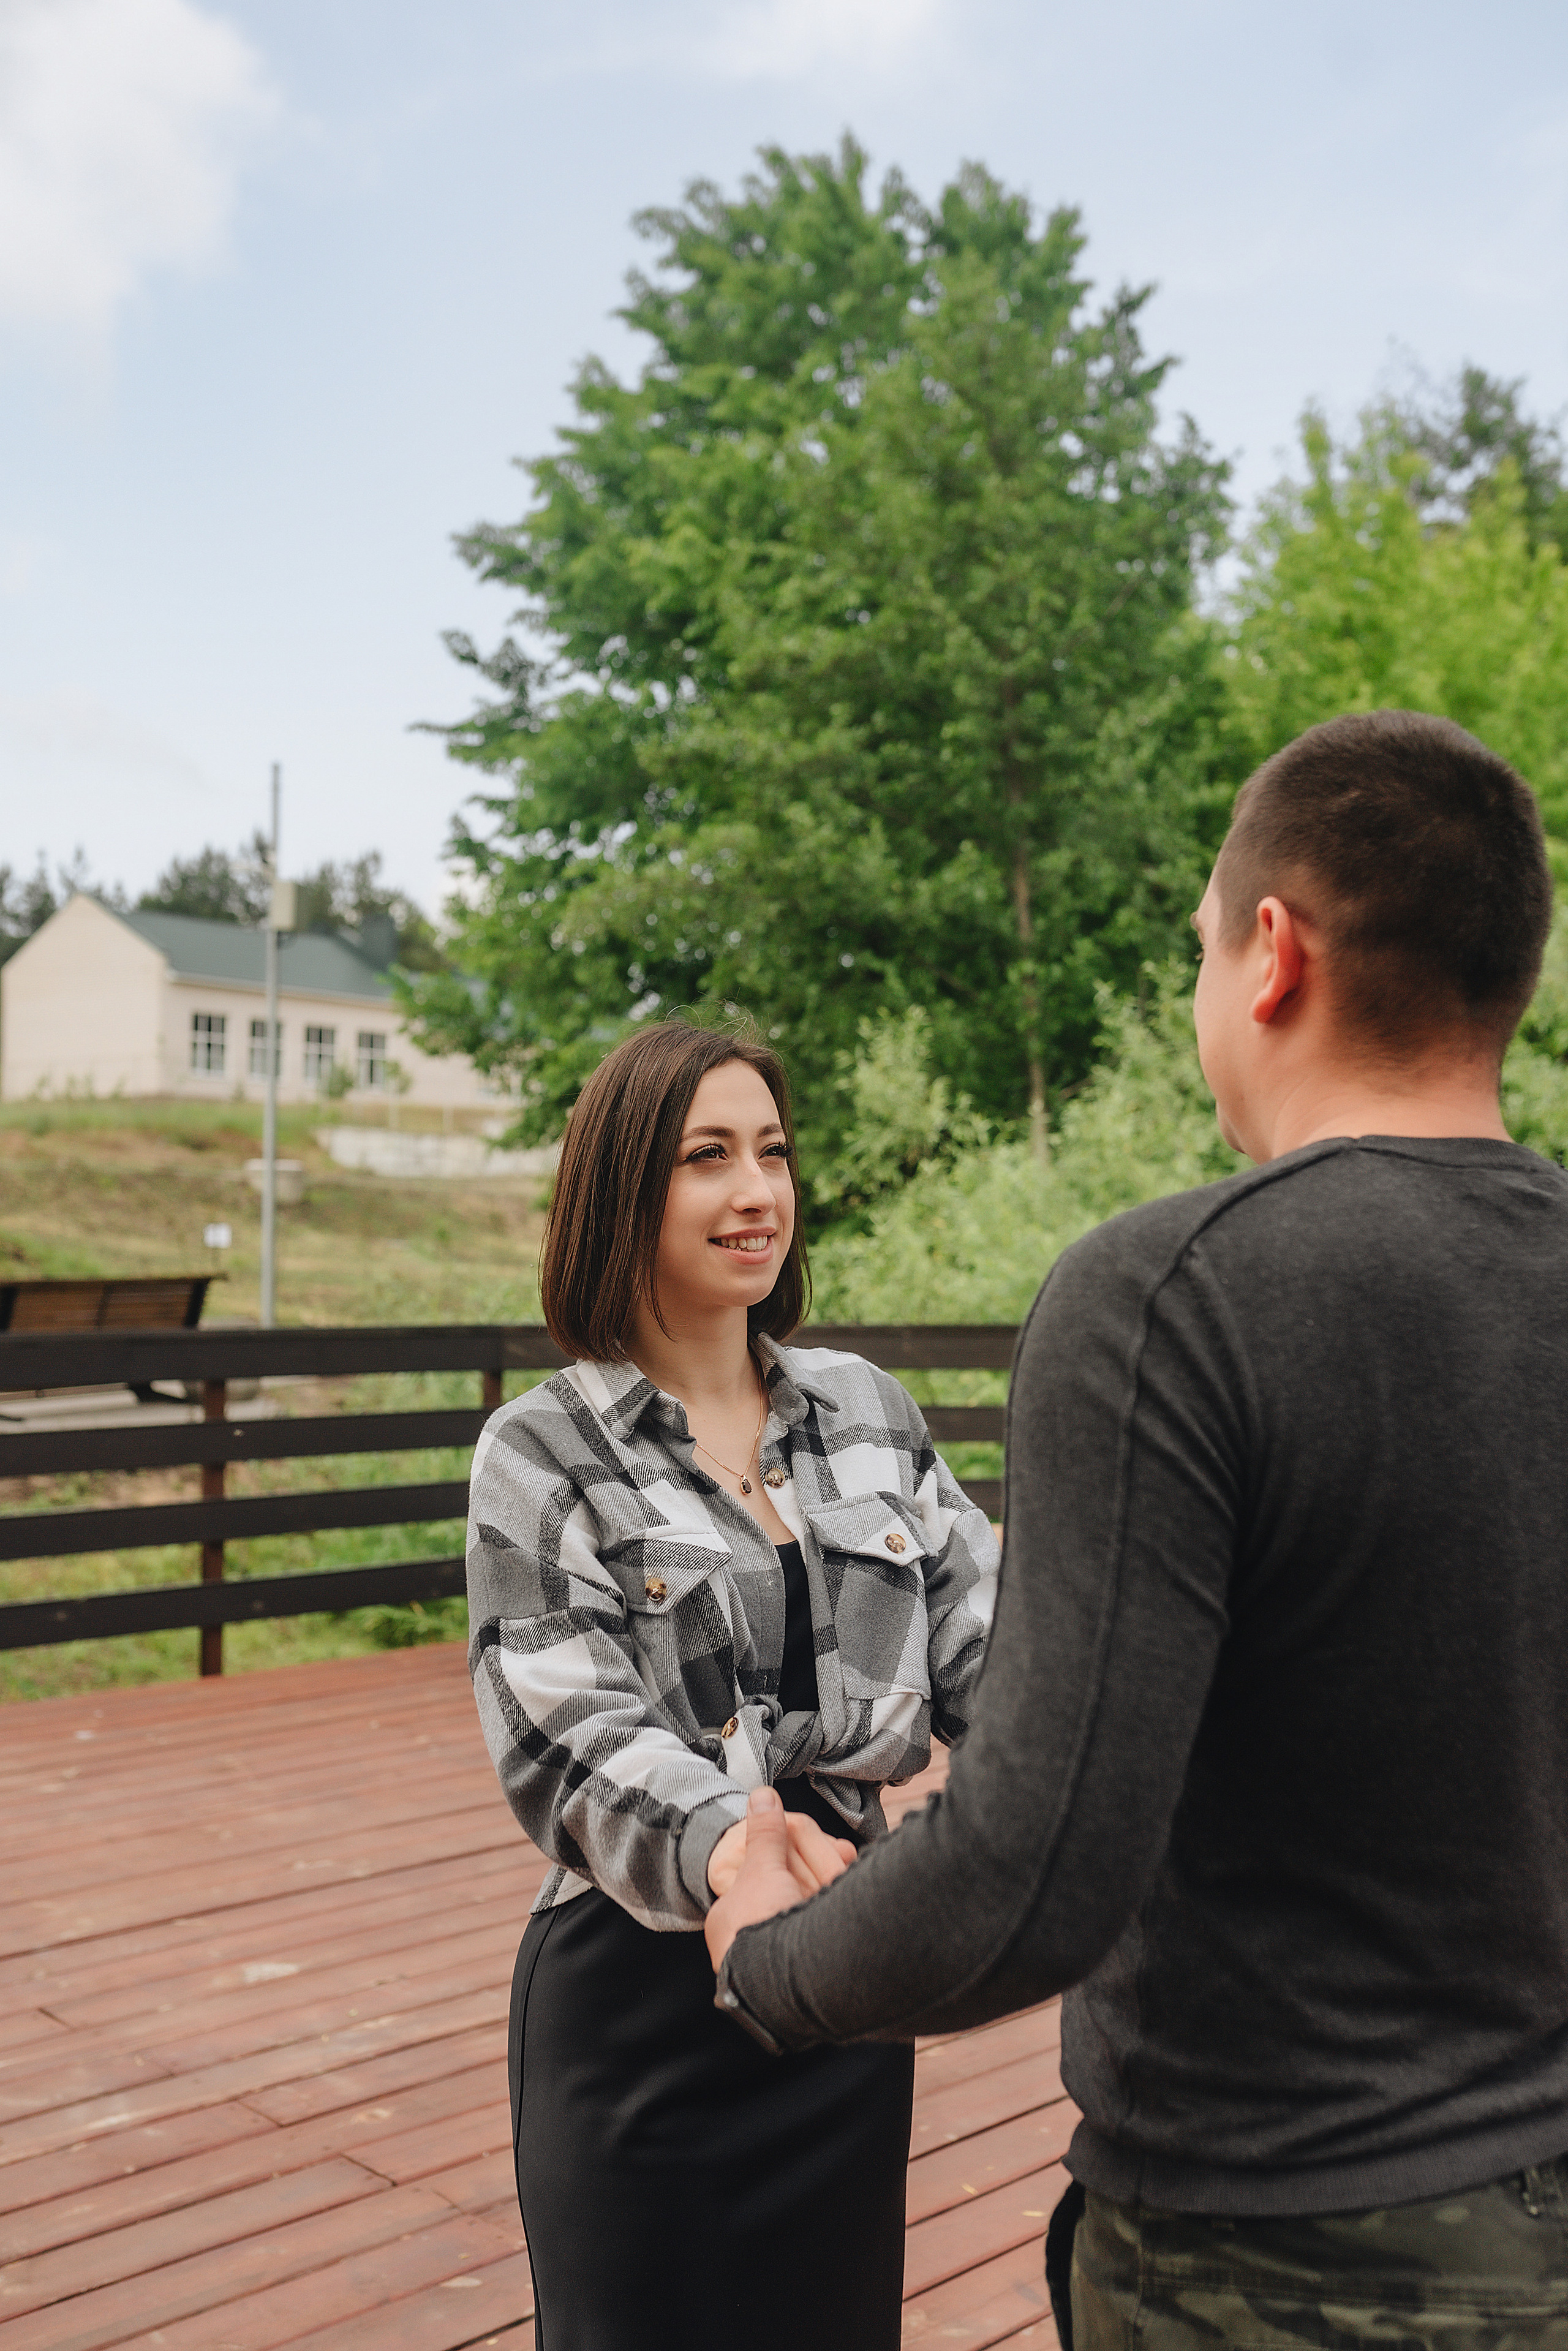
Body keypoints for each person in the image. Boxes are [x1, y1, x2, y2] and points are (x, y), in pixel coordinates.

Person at [707, 710, 1568, 2349]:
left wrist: (774, 1955)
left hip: (1291, 2255)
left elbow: (1035, 1869)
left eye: (1194, 953)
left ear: (1271, 954)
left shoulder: (1174, 1296)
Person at [464, 1020, 999, 2351]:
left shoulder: (866, 1408)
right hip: (639, 2001)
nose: (755, 1191)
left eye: (771, 1152)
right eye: (707, 1156)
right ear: (622, 1190)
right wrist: (733, 1848)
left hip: (843, 1979)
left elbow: (1007, 1642)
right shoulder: (540, 1449)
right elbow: (566, 1737)